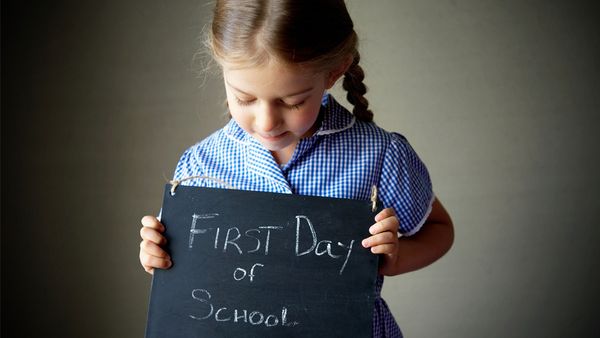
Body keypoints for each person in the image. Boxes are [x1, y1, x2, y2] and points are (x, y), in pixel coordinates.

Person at [139, 0, 454, 337]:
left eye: (292, 102)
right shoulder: (199, 165)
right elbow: (184, 269)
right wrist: (155, 255)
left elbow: (439, 229)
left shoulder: (379, 155)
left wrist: (395, 258)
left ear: (333, 72)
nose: (267, 121)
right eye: (245, 98)